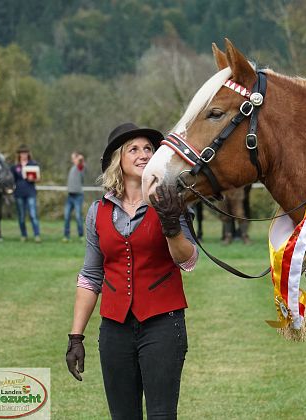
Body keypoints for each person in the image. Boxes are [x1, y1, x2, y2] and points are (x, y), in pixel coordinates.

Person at [65, 122, 199, 420]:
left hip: (163, 324)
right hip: (114, 329)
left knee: (161, 415)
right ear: (118, 159)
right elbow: (90, 276)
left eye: (148, 149)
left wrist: (172, 227)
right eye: (134, 149)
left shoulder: (170, 202)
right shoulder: (97, 212)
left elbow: (188, 261)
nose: (143, 154)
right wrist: (76, 337)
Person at [11, 144, 41, 242]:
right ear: (19, 155)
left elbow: (39, 178)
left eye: (25, 153)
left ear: (28, 154)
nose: (23, 155)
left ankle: (37, 235)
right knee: (22, 216)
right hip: (19, 193)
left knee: (33, 215)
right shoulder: (15, 167)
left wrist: (33, 179)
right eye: (22, 153)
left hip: (30, 192)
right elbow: (12, 181)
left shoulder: (33, 164)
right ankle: (24, 235)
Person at [63, 151, 86, 242]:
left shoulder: (80, 167)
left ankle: (81, 235)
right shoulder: (72, 168)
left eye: (74, 158)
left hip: (78, 196)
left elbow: (81, 161)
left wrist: (80, 158)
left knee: (78, 216)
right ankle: (66, 236)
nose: (72, 160)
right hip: (70, 196)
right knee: (66, 216)